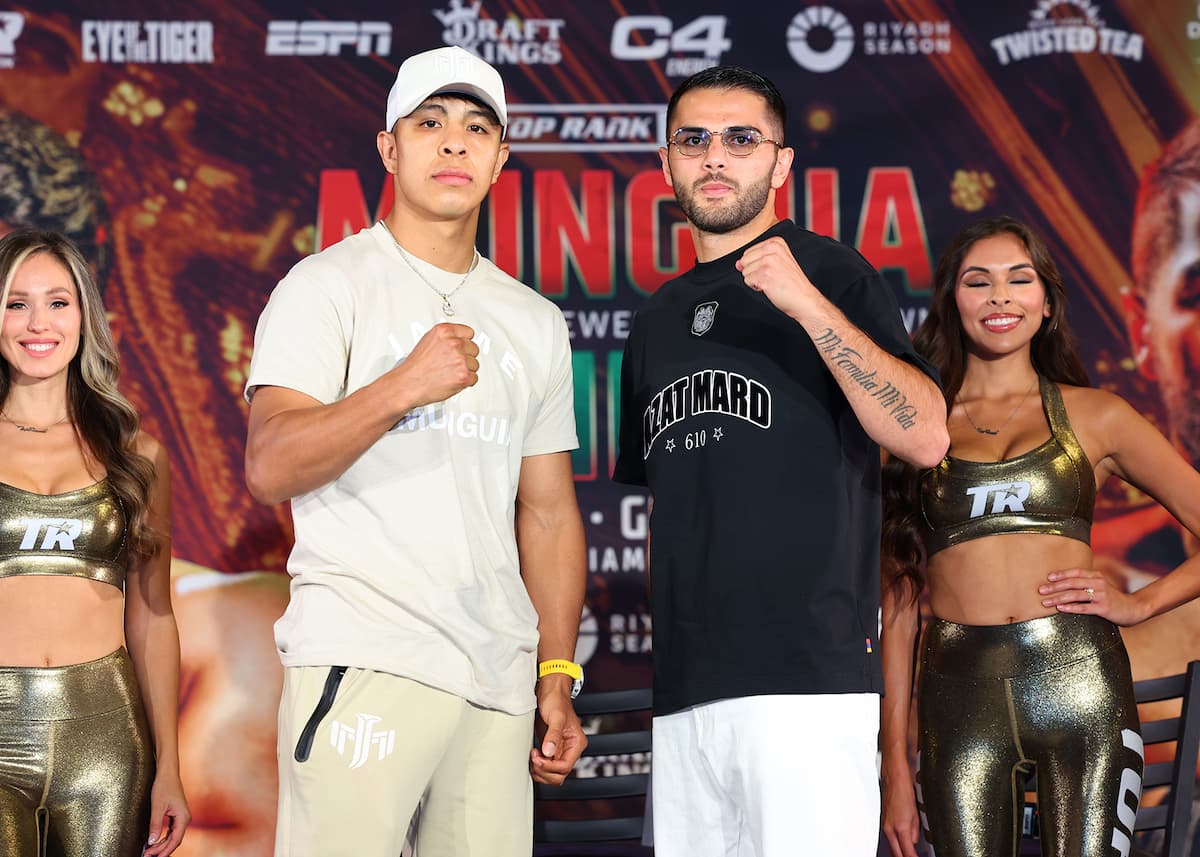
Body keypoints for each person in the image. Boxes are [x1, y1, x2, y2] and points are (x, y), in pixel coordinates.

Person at [243, 46, 588, 857]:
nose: (454, 143)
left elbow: (548, 514)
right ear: (390, 148)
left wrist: (557, 674)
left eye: (476, 128)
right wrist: (401, 385)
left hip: (497, 683)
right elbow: (270, 463)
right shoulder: (324, 286)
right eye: (429, 123)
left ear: (502, 160)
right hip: (366, 656)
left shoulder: (534, 320)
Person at [612, 66, 948, 857]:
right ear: (666, 163)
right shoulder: (655, 322)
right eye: (694, 140)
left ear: (782, 164)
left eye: (741, 138)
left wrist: (804, 304)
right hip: (687, 689)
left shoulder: (832, 274)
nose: (716, 157)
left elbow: (925, 434)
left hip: (806, 675)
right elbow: (664, 505)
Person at [879, 216, 1200, 857]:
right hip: (955, 700)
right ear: (951, 302)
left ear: (1046, 303)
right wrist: (893, 759)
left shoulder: (1097, 413)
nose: (1000, 297)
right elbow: (899, 607)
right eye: (979, 282)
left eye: (1018, 280)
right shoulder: (913, 430)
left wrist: (1138, 605)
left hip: (1080, 689)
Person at [0, 229, 189, 855]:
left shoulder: (137, 456)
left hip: (107, 742)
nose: (38, 322)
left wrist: (170, 766)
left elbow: (154, 616)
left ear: (85, 317)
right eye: (15, 302)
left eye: (58, 302)